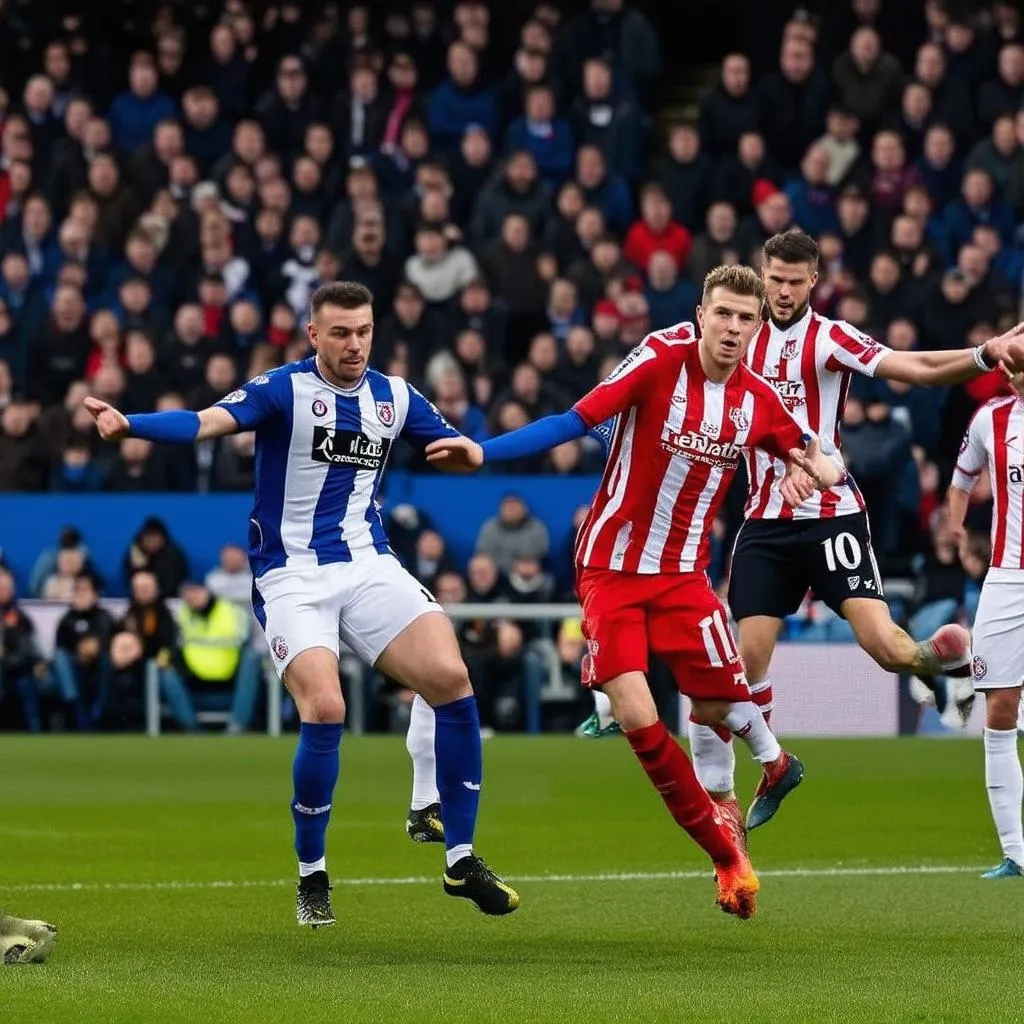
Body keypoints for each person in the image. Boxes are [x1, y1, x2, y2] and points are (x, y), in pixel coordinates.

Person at [85, 281, 519, 927]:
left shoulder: (395, 396)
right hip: (290, 574)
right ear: (313, 335)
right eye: (340, 333)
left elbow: (455, 451)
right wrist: (131, 425)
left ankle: (459, 855)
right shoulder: (281, 389)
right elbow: (204, 422)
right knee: (326, 706)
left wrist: (467, 458)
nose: (355, 344)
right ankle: (312, 874)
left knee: (453, 678)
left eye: (364, 331)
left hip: (368, 562)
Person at [425, 264, 846, 919]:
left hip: (684, 579)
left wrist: (815, 475)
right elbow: (573, 420)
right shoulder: (657, 359)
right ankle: (726, 856)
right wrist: (483, 452)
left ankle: (765, 770)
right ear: (701, 315)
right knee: (640, 719)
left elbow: (820, 455)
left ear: (758, 326)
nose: (733, 328)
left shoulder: (758, 400)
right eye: (723, 315)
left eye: (746, 318)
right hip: (613, 571)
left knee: (714, 707)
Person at [704, 229, 1024, 831]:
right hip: (765, 523)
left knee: (888, 650)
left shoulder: (829, 337)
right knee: (743, 668)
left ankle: (939, 661)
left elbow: (916, 368)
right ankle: (769, 773)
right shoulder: (734, 335)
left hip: (831, 513)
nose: (783, 291)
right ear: (762, 273)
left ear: (814, 282)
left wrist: (982, 355)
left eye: (796, 281)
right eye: (775, 278)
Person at [948, 375, 1024, 878]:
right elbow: (961, 479)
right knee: (998, 704)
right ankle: (1015, 852)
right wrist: (957, 535)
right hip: (1006, 578)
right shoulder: (990, 418)